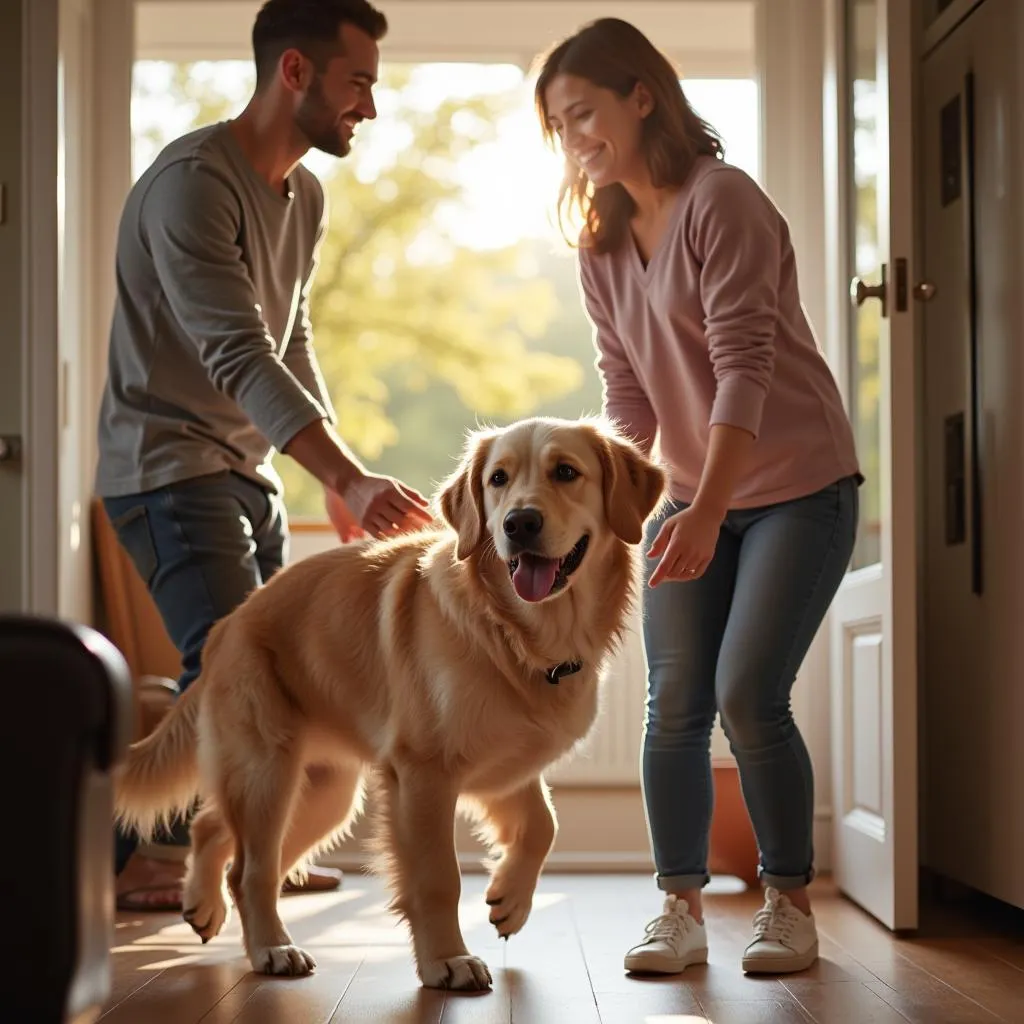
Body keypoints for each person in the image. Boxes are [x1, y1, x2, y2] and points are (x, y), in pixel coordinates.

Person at [536, 18, 861, 976]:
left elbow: (742, 371)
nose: (574, 138)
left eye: (584, 112)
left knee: (747, 693)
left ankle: (788, 903)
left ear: (643, 96)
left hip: (798, 488)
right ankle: (677, 910)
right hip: (691, 494)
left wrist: (708, 511)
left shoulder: (724, 201)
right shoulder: (600, 245)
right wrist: (610, 512)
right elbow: (628, 396)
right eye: (558, 125)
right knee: (672, 702)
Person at [95, 0, 432, 912]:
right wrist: (341, 475)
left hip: (247, 469)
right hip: (166, 466)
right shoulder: (190, 186)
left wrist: (342, 471)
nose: (369, 104)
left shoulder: (306, 195)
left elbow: (291, 339)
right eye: (357, 80)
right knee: (234, 668)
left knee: (276, 672)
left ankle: (255, 845)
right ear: (295, 72)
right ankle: (160, 859)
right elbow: (237, 351)